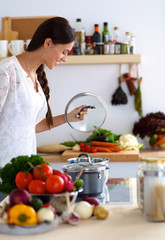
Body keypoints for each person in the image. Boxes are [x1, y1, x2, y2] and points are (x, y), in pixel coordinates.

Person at [0, 17, 88, 169]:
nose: (65, 59)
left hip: (25, 171)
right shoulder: (7, 71)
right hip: (3, 172)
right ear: (48, 43)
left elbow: (30, 126)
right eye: (64, 52)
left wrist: (68, 117)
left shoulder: (35, 76)